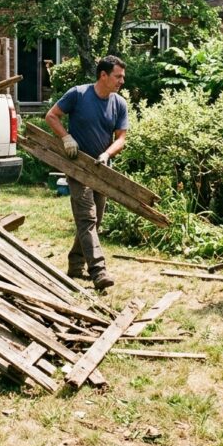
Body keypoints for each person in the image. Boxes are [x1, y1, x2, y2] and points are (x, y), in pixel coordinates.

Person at [45, 55, 128, 290]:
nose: (122, 81)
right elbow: (51, 116)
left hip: (102, 169)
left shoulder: (118, 103)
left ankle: (75, 265)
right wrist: (66, 137)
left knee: (95, 220)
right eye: (118, 76)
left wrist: (107, 154)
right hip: (78, 167)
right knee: (87, 218)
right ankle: (98, 272)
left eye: (122, 76)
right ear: (103, 75)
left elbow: (121, 138)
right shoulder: (79, 94)